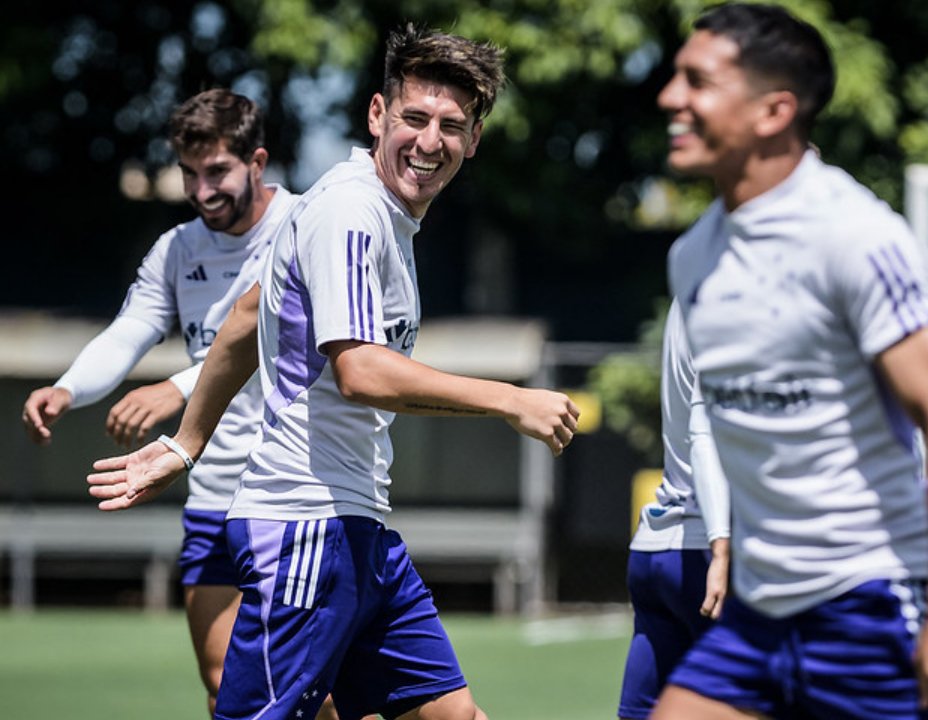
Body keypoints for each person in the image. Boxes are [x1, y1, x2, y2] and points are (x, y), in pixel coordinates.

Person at [87, 23, 579, 720]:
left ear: (474, 140)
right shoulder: (351, 211)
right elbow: (362, 373)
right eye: (414, 118)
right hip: (304, 530)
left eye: (451, 125)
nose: (430, 141)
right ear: (378, 116)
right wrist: (508, 399)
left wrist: (183, 443)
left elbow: (243, 320)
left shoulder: (370, 213)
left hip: (358, 531)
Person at [653, 4, 928, 720]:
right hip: (758, 615)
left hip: (871, 604)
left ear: (774, 109)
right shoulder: (691, 256)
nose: (670, 98)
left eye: (698, 81)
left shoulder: (856, 236)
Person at [16, 88, 337, 719]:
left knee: (310, 694)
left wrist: (177, 387)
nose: (201, 190)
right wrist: (68, 386)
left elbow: (283, 342)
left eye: (216, 172)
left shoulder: (307, 228)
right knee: (224, 685)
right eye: (190, 175)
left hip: (296, 495)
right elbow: (132, 327)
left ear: (257, 160)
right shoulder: (177, 249)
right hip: (211, 496)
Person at [618, 298, 731, 720]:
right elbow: (706, 435)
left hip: (657, 548)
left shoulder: (692, 292)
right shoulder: (731, 298)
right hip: (709, 553)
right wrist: (724, 545)